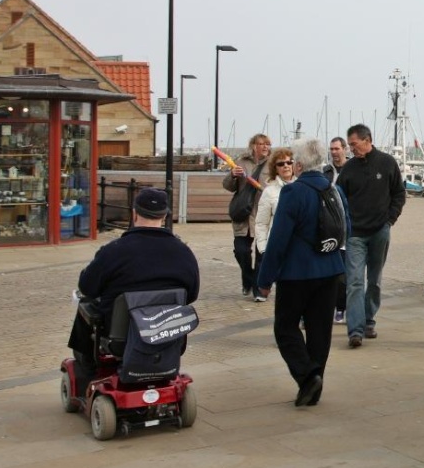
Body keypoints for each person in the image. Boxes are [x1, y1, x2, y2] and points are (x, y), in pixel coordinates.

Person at [67, 187, 201, 379]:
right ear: (164, 216)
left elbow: (87, 287)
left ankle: (87, 370)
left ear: (134, 213)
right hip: (167, 333)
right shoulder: (183, 253)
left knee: (85, 306)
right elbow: (192, 294)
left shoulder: (114, 251)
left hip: (120, 336)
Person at [257, 137, 350, 407]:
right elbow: (347, 230)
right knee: (320, 332)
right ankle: (314, 385)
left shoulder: (293, 193)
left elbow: (278, 241)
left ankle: (307, 376)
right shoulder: (335, 190)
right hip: (331, 269)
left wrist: (264, 280)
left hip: (297, 274)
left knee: (285, 328)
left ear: (298, 164)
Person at [337, 124, 406, 348]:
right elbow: (338, 199)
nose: (351, 149)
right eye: (349, 146)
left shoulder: (387, 163)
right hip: (355, 234)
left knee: (374, 280)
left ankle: (369, 320)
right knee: (355, 282)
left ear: (367, 140)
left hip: (380, 231)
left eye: (354, 145)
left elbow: (399, 193)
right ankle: (355, 331)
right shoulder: (348, 169)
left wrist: (390, 219)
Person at [223, 134, 271, 298]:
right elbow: (228, 186)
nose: (265, 147)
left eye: (267, 144)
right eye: (261, 144)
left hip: (263, 214)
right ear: (253, 146)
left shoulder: (272, 164)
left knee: (261, 254)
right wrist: (233, 175)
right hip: (243, 214)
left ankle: (257, 288)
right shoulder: (241, 162)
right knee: (241, 251)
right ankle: (248, 278)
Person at [253, 147, 296, 302]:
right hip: (278, 245)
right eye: (281, 163)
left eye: (289, 162)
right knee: (285, 288)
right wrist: (263, 248)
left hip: (299, 246)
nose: (286, 166)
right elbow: (261, 223)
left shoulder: (303, 187)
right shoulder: (269, 192)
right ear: (275, 168)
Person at [323, 137, 349, 324]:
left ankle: (341, 308)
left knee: (344, 276)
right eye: (331, 149)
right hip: (329, 228)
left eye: (337, 148)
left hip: (348, 229)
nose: (334, 152)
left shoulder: (352, 169)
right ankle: (329, 306)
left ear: (344, 149)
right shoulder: (325, 172)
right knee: (329, 274)